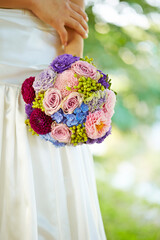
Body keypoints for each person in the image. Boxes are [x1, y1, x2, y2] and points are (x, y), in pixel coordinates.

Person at [0, 0, 107, 239]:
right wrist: (34, 2)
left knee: (50, 201)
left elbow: (75, 21)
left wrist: (70, 75)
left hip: (47, 78)